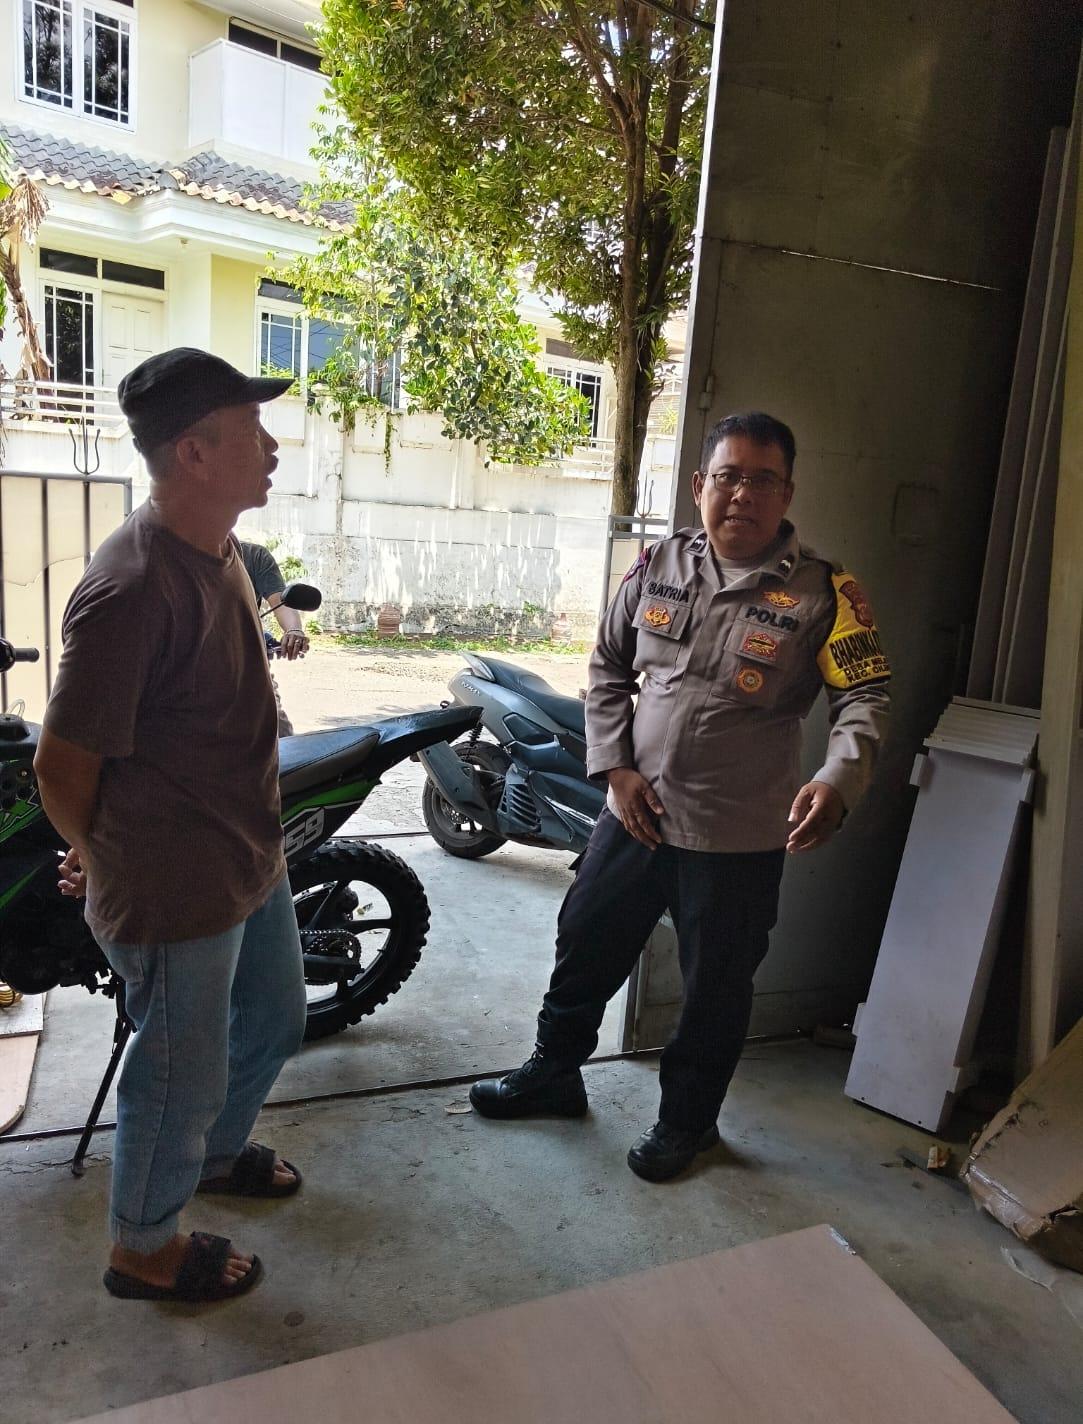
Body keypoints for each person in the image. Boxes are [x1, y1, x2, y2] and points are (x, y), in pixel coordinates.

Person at [470, 411, 891, 1182]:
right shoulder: (658, 564)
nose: (742, 494)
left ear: (786, 492)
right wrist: (614, 768)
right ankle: (554, 1072)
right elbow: (607, 668)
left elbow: (862, 697)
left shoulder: (824, 594)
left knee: (714, 991)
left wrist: (838, 777)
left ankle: (687, 1124)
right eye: (727, 476)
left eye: (761, 479)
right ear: (700, 485)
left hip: (736, 838)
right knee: (583, 943)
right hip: (634, 814)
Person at [33, 348, 307, 1302]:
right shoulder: (133, 586)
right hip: (173, 881)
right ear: (193, 453)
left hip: (246, 851)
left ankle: (216, 1153)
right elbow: (61, 766)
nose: (271, 447)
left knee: (274, 1017)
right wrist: (96, 853)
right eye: (251, 431)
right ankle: (142, 1245)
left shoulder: (221, 547)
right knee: (176, 1073)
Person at [239, 539, 310, 736]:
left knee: (278, 729)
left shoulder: (253, 556)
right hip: (186, 670)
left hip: (247, 665)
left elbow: (280, 601)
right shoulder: (170, 554)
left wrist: (294, 630)